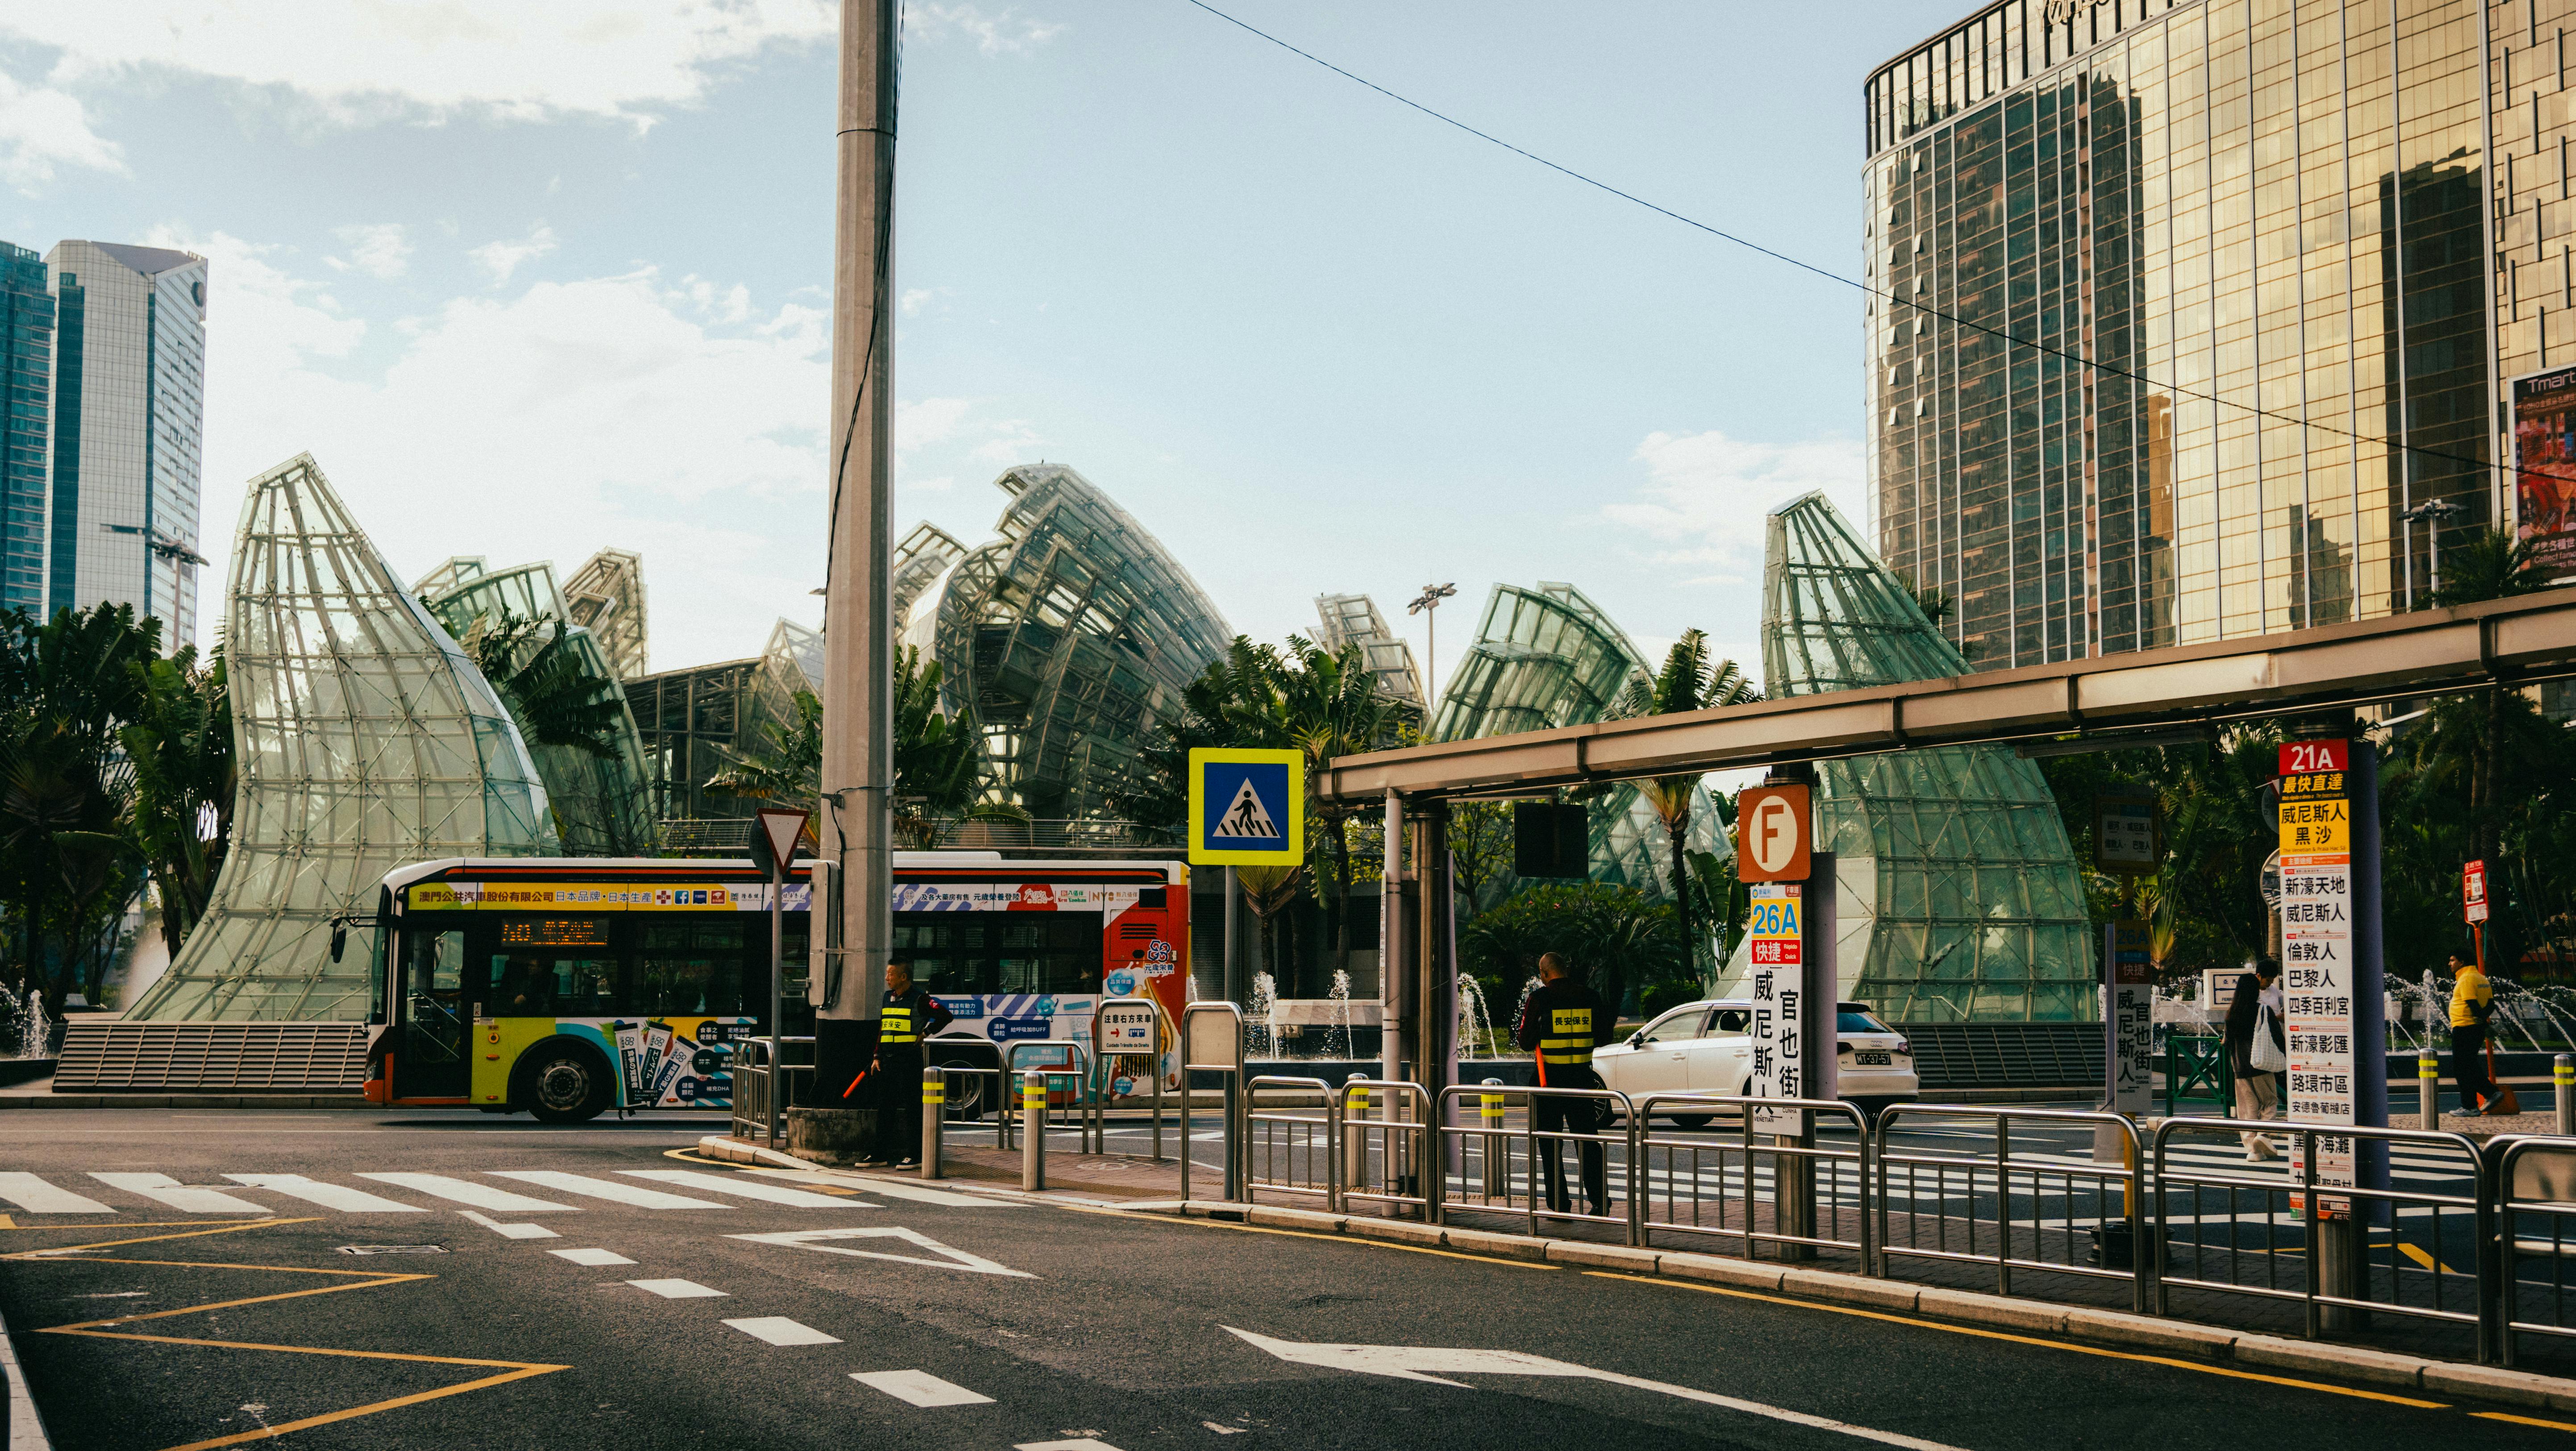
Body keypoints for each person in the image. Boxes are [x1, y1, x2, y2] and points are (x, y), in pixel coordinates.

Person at [1512, 952, 1619, 1217]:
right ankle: (1599, 1201)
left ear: (1545, 974)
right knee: (1587, 1140)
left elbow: (1525, 1041)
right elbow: (1604, 1036)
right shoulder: (1590, 997)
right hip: (1582, 1081)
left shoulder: (1540, 999)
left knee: (1551, 1144)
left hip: (1548, 1084)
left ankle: (1559, 1204)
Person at [864, 959, 954, 1166]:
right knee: (885, 1108)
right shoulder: (888, 997)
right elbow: (883, 1029)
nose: (887, 979)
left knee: (913, 1109)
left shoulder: (920, 998)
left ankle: (916, 1154)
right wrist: (877, 1056)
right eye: (887, 974)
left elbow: (945, 1016)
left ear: (904, 977)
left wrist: (926, 1033)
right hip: (887, 1062)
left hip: (909, 1060)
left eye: (891, 975)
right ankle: (879, 1154)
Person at [2223, 957, 2283, 1160]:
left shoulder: (2231, 1014)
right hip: (2261, 1064)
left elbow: (2226, 1042)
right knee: (2269, 1102)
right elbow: (2277, 1037)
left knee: (2248, 1109)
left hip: (2239, 1067)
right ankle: (2264, 1136)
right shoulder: (2263, 1010)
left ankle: (2253, 1150)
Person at [2449, 951, 2500, 1115]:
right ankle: (2480, 1099)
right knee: (2468, 1065)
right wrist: (2483, 1020)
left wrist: (2478, 1018)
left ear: (2462, 962)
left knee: (2462, 1068)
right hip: (2474, 1027)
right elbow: (2491, 1004)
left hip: (2465, 1027)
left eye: (2453, 960)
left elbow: (2472, 1005)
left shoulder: (2466, 979)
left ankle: (2473, 1104)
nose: (2450, 964)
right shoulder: (2481, 978)